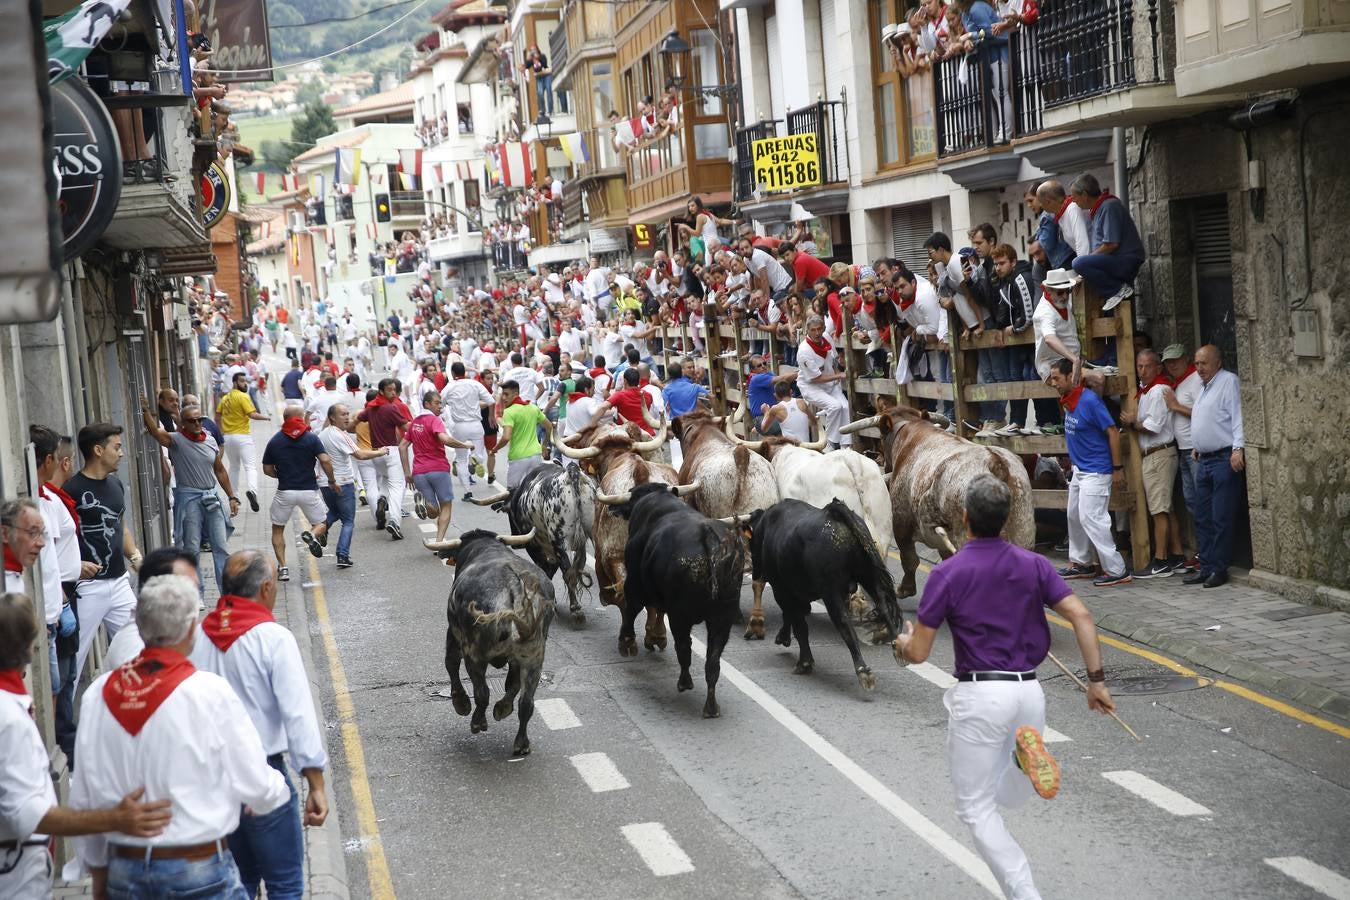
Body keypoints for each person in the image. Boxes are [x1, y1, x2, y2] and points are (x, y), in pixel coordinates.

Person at [892, 473, 1116, 900]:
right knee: (1005, 799)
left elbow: (919, 652)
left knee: (975, 809)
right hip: (1029, 694)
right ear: (1008, 518)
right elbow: (1083, 617)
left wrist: (902, 643)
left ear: (964, 518)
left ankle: (1024, 892)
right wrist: (1096, 682)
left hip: (981, 695)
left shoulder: (947, 572)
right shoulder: (1034, 564)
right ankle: (1020, 760)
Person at [69, 574, 290, 899]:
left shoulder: (96, 695)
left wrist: (98, 873)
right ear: (190, 630)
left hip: (125, 871)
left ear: (139, 627)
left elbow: (85, 796)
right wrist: (275, 792)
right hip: (198, 870)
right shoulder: (209, 692)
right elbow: (255, 782)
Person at [0, 592, 173, 900]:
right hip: (16, 874)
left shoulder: (12, 707)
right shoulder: (8, 718)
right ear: (29, 649)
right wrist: (114, 819)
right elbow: (27, 815)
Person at [192, 552, 330, 899]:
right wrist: (315, 783)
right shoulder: (273, 638)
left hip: (213, 782)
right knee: (284, 884)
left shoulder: (195, 637)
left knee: (238, 882)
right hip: (262, 778)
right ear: (267, 588)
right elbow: (297, 714)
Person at [66, 423, 144, 684]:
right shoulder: (71, 491)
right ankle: (64, 722)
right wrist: (76, 565)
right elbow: (60, 540)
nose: (121, 453)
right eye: (117, 447)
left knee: (141, 649)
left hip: (120, 583)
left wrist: (135, 558)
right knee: (75, 661)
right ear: (98, 450)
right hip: (87, 588)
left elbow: (120, 526)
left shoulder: (116, 485)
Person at [140, 397, 238, 591]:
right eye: (192, 421)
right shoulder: (176, 440)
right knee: (191, 550)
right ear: (182, 424)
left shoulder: (210, 440)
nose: (197, 424)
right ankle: (196, 593)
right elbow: (155, 432)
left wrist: (232, 496)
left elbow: (220, 470)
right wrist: (146, 412)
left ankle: (225, 593)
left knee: (221, 548)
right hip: (189, 500)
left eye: (199, 420)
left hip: (212, 498)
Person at [1047, 359, 1131, 586]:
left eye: (1056, 378)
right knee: (1074, 515)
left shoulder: (1090, 401)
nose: (1053, 383)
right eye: (1051, 378)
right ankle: (1081, 562)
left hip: (1097, 470)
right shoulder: (1068, 400)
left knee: (1092, 518)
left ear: (1070, 377)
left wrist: (1117, 469)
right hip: (1080, 470)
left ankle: (1117, 569)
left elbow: (1112, 432)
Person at [30, 428, 82, 759]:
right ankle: (45, 755)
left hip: (55, 606)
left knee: (60, 680)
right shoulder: (32, 503)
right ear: (50, 460)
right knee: (47, 689)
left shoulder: (48, 499)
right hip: (43, 614)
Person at [1183, 344, 1245, 589]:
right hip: (1205, 458)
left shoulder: (1228, 381)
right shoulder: (1204, 387)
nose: (1199, 368)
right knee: (1202, 517)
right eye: (1197, 364)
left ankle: (1219, 569)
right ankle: (1206, 566)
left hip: (1223, 458)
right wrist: (1198, 444)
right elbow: (1207, 418)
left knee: (1221, 516)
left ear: (1217, 363)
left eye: (1204, 363)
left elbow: (1237, 415)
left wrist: (1238, 448)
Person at [1119, 349, 1182, 578]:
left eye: (1147, 366)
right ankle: (1175, 554)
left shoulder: (1158, 391)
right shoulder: (1146, 392)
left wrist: (1133, 423)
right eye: (1139, 366)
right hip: (1155, 453)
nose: (1142, 371)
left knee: (1159, 509)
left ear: (1157, 368)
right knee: (1166, 507)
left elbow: (1153, 426)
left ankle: (1161, 560)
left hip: (1159, 453)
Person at [261, 404, 335, 582]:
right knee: (322, 523)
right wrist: (331, 479)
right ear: (301, 418)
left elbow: (266, 469)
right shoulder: (311, 438)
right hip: (308, 490)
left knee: (278, 529)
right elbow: (325, 459)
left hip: (284, 492)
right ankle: (312, 534)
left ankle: (283, 568)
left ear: (285, 419)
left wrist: (280, 475)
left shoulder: (275, 440)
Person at [103, 548, 200, 670]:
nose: (194, 597)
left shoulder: (171, 631)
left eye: (195, 589)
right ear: (156, 590)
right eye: (187, 589)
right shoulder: (134, 647)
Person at [319, 403, 388, 569]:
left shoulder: (321, 435)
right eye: (342, 414)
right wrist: (381, 451)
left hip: (324, 483)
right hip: (342, 483)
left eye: (347, 414)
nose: (347, 418)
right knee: (348, 521)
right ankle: (342, 554)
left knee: (334, 512)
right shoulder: (341, 435)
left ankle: (318, 532)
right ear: (332, 418)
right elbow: (360, 454)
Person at [1069, 172, 1146, 312]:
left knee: (1078, 263)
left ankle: (1117, 290)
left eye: (1075, 198)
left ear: (1085, 195)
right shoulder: (1099, 209)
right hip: (1116, 260)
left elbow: (1112, 244)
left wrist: (1088, 260)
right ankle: (1116, 292)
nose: (1074, 201)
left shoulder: (1109, 206)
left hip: (1125, 260)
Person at [402, 392, 473, 543]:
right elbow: (445, 439)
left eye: (440, 403)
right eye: (436, 403)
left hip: (419, 472)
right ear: (427, 404)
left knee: (433, 512)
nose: (440, 406)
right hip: (438, 469)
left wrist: (407, 473)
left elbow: (402, 446)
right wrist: (465, 445)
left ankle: (427, 504)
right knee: (446, 506)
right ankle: (439, 541)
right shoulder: (435, 420)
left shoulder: (414, 423)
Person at [1161, 343, 1203, 571]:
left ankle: (1205, 553)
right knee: (1191, 503)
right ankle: (1200, 552)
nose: (1172, 364)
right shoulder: (1177, 384)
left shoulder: (1195, 380)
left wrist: (1175, 406)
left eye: (1175, 360)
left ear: (1186, 359)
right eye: (1168, 361)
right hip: (1184, 450)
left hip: (1195, 451)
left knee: (1200, 503)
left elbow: (1203, 412)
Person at [356, 379, 413, 539]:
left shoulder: (370, 408)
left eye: (394, 390)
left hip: (377, 455)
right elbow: (405, 427)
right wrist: (421, 425)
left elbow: (355, 422)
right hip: (391, 452)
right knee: (397, 487)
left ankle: (382, 499)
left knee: (386, 481)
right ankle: (394, 521)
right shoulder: (390, 408)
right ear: (381, 391)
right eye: (390, 390)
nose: (393, 393)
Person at [217, 370, 270, 513]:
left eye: (245, 381)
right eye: (242, 381)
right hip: (242, 437)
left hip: (228, 437)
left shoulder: (225, 398)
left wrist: (220, 432)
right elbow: (252, 414)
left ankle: (234, 497)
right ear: (235, 382)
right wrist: (266, 417)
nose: (245, 383)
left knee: (234, 467)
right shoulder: (243, 397)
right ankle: (252, 491)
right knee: (250, 467)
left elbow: (217, 415)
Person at [796, 315, 852, 448]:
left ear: (824, 329)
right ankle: (830, 443)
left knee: (845, 407)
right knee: (834, 406)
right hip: (811, 386)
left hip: (830, 383)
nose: (816, 333)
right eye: (813, 330)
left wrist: (837, 371)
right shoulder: (804, 351)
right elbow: (815, 379)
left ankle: (846, 445)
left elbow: (833, 359)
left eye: (819, 329)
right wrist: (839, 376)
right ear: (807, 331)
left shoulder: (826, 337)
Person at [440, 363, 493, 499]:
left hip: (459, 427)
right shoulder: (474, 384)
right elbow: (491, 401)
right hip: (476, 424)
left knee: (461, 460)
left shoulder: (449, 387)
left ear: (452, 373)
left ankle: (467, 492)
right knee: (480, 454)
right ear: (465, 372)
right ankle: (476, 458)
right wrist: (491, 416)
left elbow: (440, 406)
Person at [498, 379, 552, 490]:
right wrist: (544, 444)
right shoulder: (533, 407)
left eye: (506, 394)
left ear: (516, 394)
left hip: (518, 458)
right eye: (502, 394)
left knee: (511, 493)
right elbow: (549, 426)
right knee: (534, 490)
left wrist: (494, 449)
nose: (503, 398)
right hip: (536, 456)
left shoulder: (509, 412)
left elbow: (506, 437)